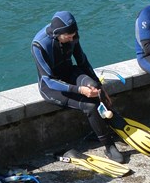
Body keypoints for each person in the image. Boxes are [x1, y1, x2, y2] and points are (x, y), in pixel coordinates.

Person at [32, 11, 124, 163]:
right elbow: (48, 80)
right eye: (68, 36)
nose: (72, 38)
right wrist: (80, 90)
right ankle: (108, 146)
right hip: (52, 87)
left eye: (74, 34)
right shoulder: (39, 45)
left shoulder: (72, 36)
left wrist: (100, 87)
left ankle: (105, 126)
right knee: (89, 105)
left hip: (70, 72)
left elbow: (82, 61)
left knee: (95, 88)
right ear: (58, 33)